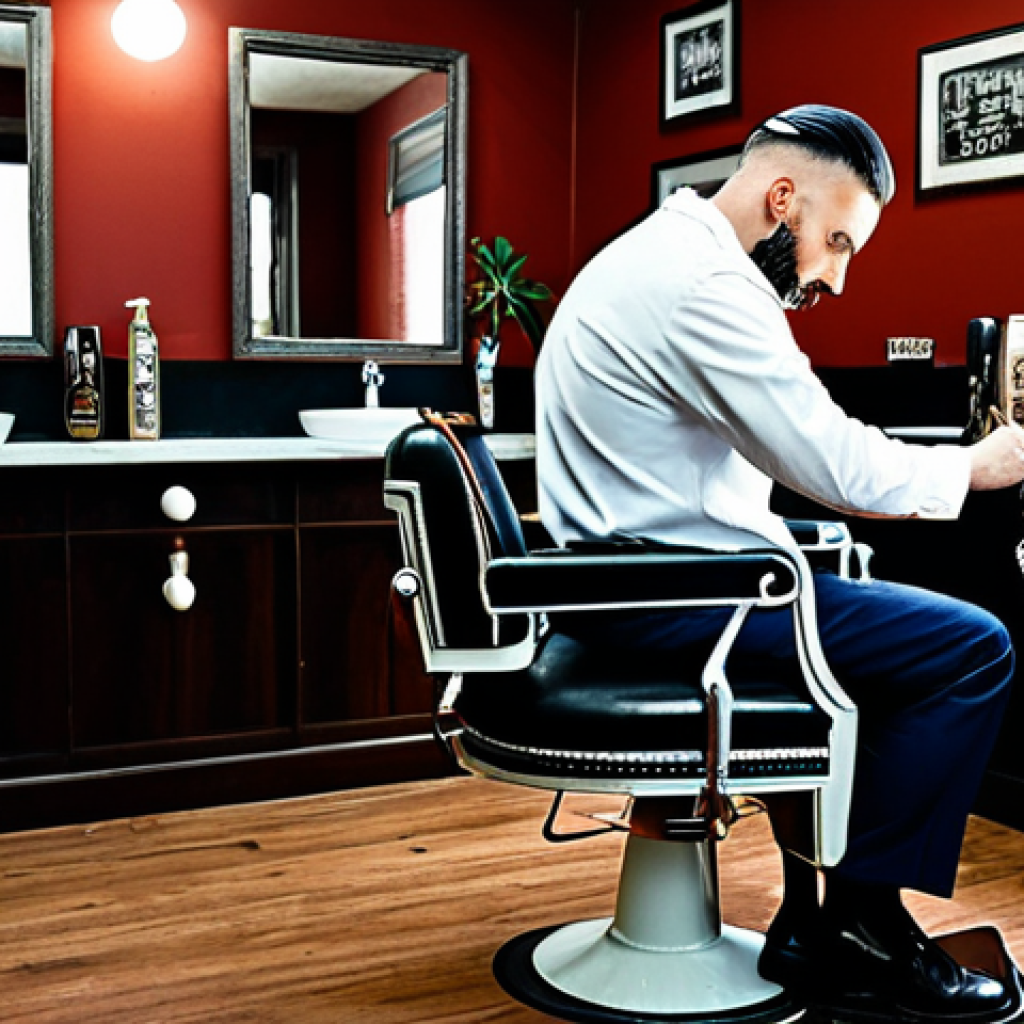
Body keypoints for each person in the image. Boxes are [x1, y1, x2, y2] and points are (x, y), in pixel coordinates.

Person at [534, 104, 1024, 1019]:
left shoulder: (657, 254)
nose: (835, 275)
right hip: (671, 597)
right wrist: (976, 465)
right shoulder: (705, 285)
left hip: (634, 585)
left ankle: (810, 919)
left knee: (873, 630)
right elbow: (834, 464)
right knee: (973, 648)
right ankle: (865, 929)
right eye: (836, 242)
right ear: (784, 197)